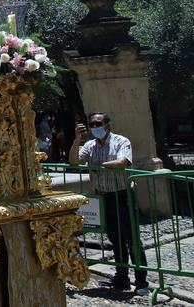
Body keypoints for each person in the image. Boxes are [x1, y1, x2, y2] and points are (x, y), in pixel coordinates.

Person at [70, 112, 148, 295]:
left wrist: (100, 166)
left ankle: (141, 280)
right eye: (91, 124)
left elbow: (122, 161)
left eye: (98, 123)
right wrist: (76, 139)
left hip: (123, 195)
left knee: (132, 240)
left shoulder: (121, 141)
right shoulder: (90, 145)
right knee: (115, 238)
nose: (94, 127)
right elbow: (74, 160)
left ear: (107, 125)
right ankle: (122, 278)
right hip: (104, 196)